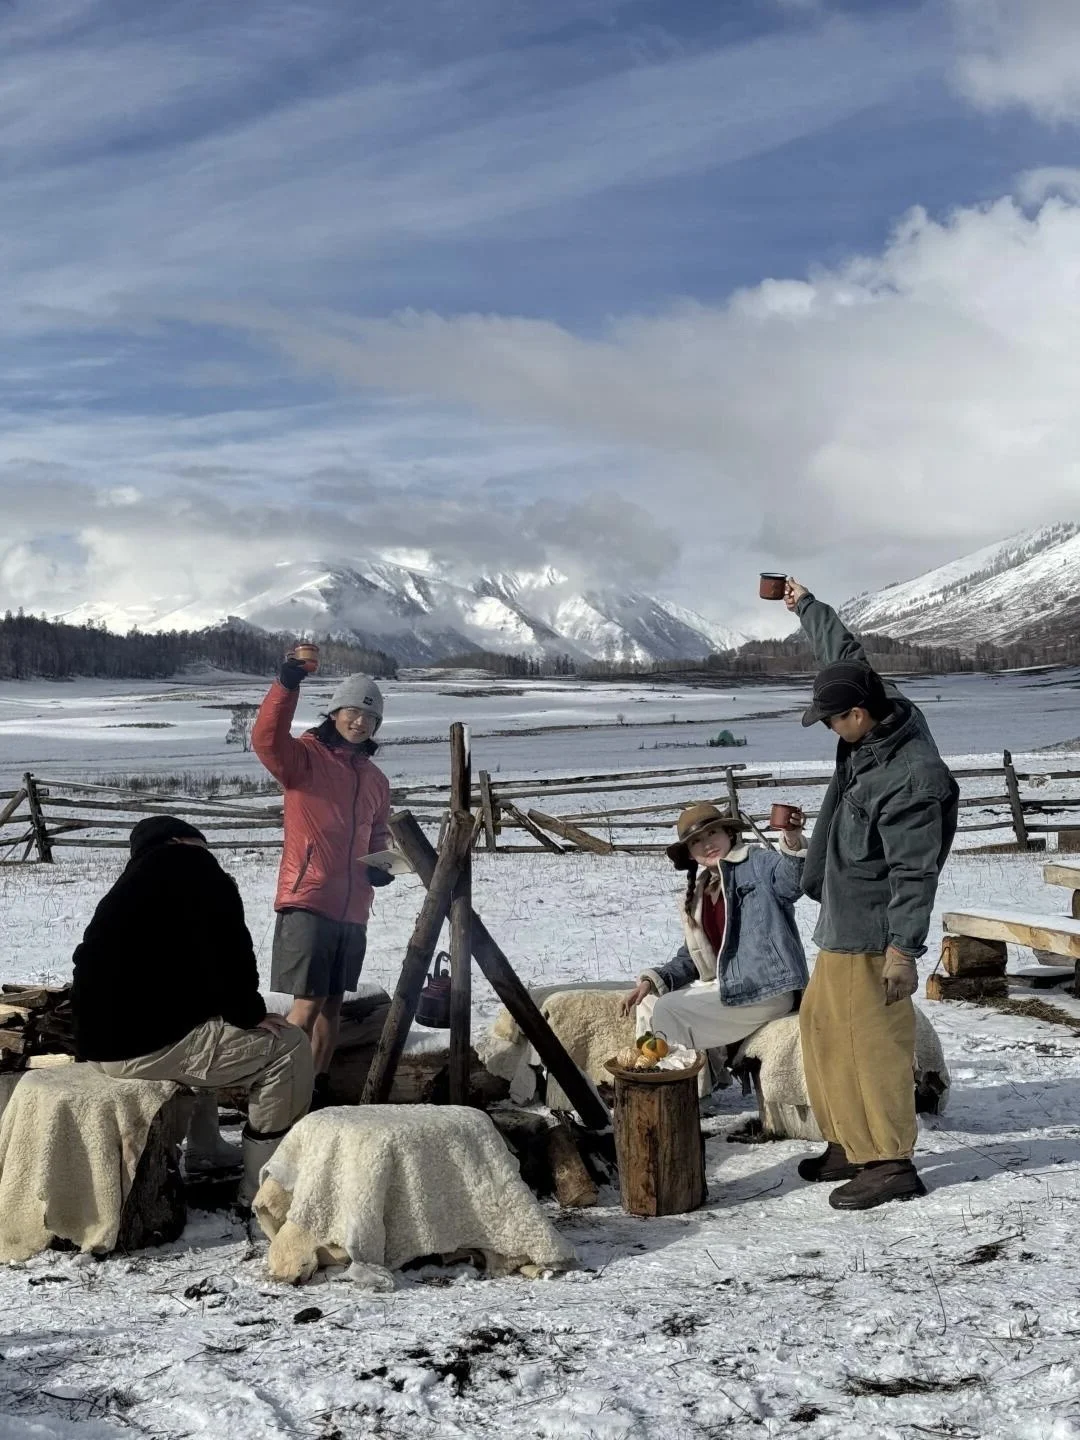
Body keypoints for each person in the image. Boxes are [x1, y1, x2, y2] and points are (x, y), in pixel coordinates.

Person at [785, 578, 959, 1210]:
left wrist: (902, 951)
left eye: (833, 719)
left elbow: (916, 873)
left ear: (859, 713)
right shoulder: (869, 712)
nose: (830, 728)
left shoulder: (912, 776)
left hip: (875, 931)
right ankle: (847, 1143)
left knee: (874, 1044)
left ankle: (888, 1161)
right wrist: (805, 606)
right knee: (823, 1030)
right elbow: (844, 652)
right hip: (840, 917)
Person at [70, 816, 312, 1207]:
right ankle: (267, 1187)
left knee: (205, 1028)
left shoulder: (133, 886)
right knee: (289, 1047)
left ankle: (207, 1148)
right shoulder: (192, 866)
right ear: (185, 840)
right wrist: (249, 1013)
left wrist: (228, 1010)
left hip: (100, 1045)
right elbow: (226, 948)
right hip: (140, 1045)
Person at [252, 660, 392, 1108]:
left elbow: (377, 833)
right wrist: (286, 684)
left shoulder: (374, 779)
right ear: (334, 713)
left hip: (353, 910)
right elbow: (265, 739)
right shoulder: (304, 758)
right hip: (308, 900)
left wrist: (381, 866)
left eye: (369, 716)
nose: (360, 721)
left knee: (332, 1007)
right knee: (307, 1005)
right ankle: (275, 1091)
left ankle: (314, 1091)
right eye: (352, 711)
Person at [622, 801, 810, 1084]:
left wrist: (792, 839)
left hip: (766, 990)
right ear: (689, 852)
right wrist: (652, 980)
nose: (707, 844)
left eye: (713, 834)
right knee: (650, 1002)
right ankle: (691, 1091)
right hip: (726, 988)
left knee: (669, 1009)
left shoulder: (756, 862)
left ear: (729, 834)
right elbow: (692, 957)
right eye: (696, 841)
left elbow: (791, 882)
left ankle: (668, 1090)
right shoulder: (698, 893)